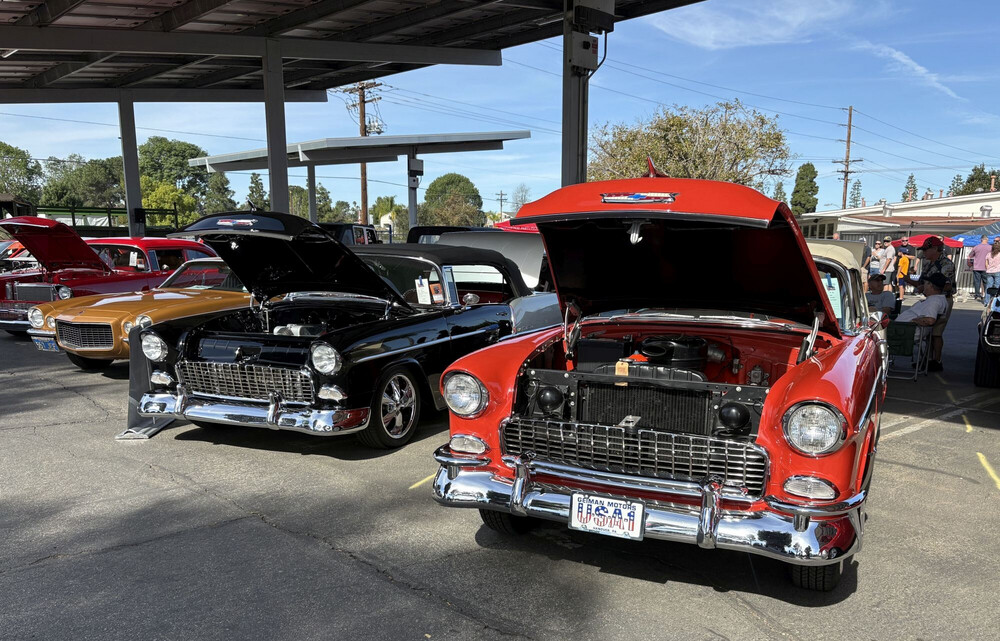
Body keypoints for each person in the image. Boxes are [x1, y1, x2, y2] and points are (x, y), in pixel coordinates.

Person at [903, 236, 956, 371]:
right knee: (926, 331)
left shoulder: (946, 264)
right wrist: (909, 280)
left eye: (926, 249)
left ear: (935, 249)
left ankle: (936, 361)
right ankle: (927, 360)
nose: (923, 252)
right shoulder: (928, 264)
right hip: (930, 298)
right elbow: (921, 283)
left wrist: (930, 288)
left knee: (936, 332)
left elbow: (947, 285)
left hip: (942, 298)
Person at [967, 235, 992, 301]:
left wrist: (969, 263)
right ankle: (987, 296)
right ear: (987, 240)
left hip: (976, 267)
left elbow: (969, 256)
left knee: (977, 282)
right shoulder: (990, 247)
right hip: (986, 267)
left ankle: (977, 295)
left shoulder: (976, 247)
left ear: (981, 240)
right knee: (986, 282)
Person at [985, 237, 1000, 308]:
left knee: (988, 287)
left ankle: (987, 302)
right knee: (997, 287)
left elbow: (986, 263)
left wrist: (988, 268)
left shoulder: (989, 254)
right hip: (997, 271)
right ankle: (995, 301)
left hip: (989, 271)